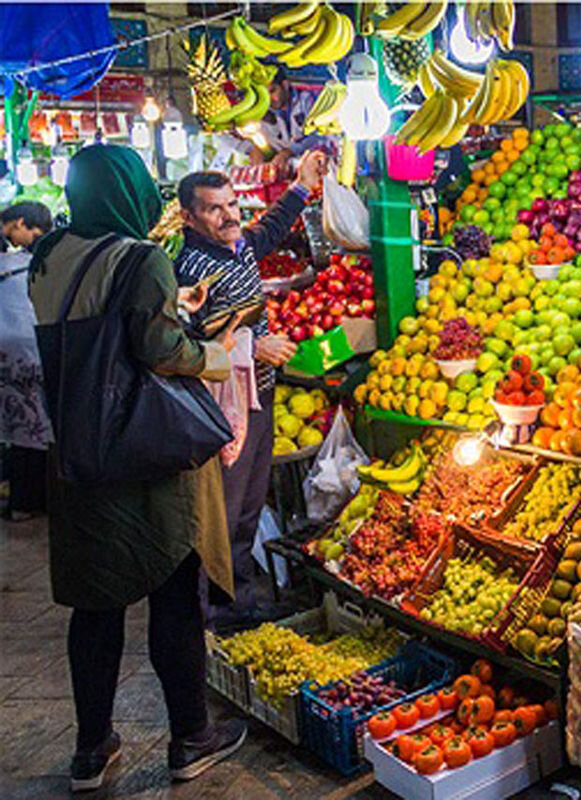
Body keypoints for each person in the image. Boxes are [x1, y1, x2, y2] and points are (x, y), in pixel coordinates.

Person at [27, 145, 246, 792]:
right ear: (128, 191)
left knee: (94, 602)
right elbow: (157, 346)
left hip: (77, 446)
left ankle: (91, 750)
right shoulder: (141, 255)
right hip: (141, 448)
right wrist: (215, 353)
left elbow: (92, 320)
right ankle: (191, 737)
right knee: (175, 588)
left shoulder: (49, 254)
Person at [175, 149, 327, 630]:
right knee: (223, 517)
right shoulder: (190, 268)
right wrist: (253, 348)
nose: (229, 215)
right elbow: (185, 342)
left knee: (244, 513)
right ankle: (216, 615)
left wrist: (302, 185)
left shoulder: (235, 246)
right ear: (188, 216)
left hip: (256, 398)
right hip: (220, 408)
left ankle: (238, 606)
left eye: (232, 204)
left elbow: (267, 232)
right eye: (214, 208)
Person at [0, 201, 53, 519]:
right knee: (34, 427)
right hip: (27, 349)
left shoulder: (14, 260)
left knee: (18, 428)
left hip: (11, 353)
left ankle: (20, 497)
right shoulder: (26, 262)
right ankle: (28, 499)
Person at [239, 69, 331, 168]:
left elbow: (320, 135)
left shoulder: (308, 99)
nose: (269, 99)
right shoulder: (263, 113)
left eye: (272, 91)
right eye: (264, 95)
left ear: (285, 85)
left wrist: (289, 152)